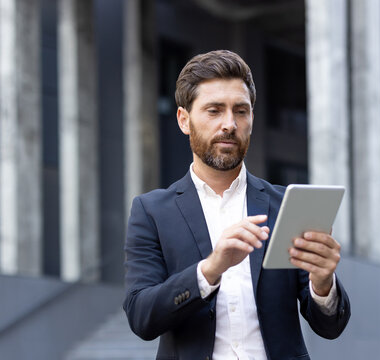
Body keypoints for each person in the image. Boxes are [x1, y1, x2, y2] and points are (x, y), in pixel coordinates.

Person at [123, 49, 350, 360]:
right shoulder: (151, 211)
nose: (229, 124)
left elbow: (330, 327)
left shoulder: (285, 205)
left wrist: (323, 283)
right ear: (184, 120)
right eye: (214, 110)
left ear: (252, 119)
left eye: (240, 111)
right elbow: (141, 316)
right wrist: (210, 269)